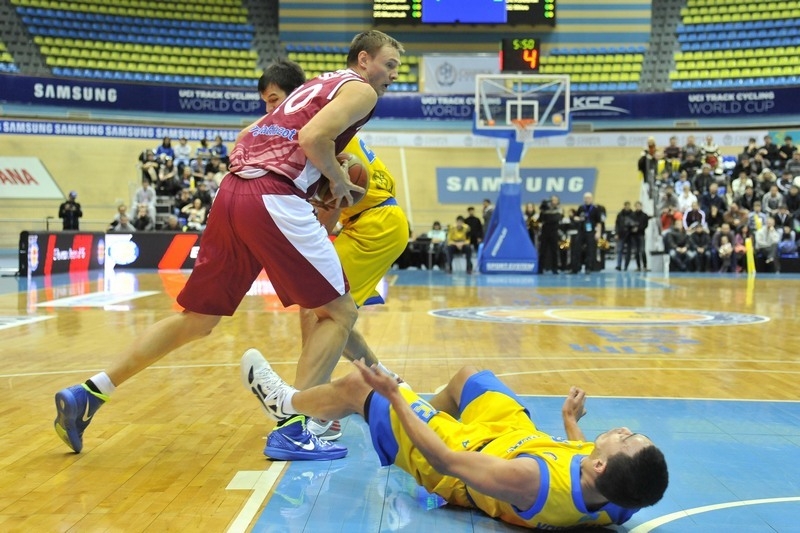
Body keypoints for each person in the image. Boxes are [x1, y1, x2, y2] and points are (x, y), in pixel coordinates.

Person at [53, 30, 404, 460]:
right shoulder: (360, 90)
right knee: (339, 312)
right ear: (364, 60)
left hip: (232, 192)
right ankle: (295, 426)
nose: (393, 75)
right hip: (273, 197)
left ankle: (90, 392)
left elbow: (243, 138)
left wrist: (311, 170)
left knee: (198, 319)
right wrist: (335, 178)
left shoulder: (314, 85)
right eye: (389, 65)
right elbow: (313, 139)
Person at [242, 350, 669, 529]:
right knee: (469, 376)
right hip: (516, 437)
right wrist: (570, 422)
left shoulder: (530, 481)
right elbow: (584, 467)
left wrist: (397, 399)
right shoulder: (623, 500)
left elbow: (445, 460)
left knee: (361, 385)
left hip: (461, 456)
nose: (623, 431)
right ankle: (397, 417)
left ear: (602, 464)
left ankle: (287, 405)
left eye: (627, 438)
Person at [249, 58, 409, 441]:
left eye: (274, 100)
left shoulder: (320, 129)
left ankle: (315, 410)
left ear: (296, 96)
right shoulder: (323, 120)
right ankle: (384, 384)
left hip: (375, 223)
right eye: (266, 102)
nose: (270, 110)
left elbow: (337, 199)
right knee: (334, 312)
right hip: (373, 221)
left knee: (319, 304)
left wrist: (310, 243)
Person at [570, 192, 603, 274]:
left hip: (591, 231)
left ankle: (588, 267)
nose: (587, 200)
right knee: (577, 249)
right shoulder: (581, 208)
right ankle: (576, 268)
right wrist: (577, 218)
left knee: (590, 250)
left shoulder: (595, 209)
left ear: (592, 199)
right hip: (581, 231)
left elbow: (599, 222)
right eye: (586, 198)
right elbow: (576, 217)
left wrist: (598, 232)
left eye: (589, 198)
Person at [537, 195, 562, 274]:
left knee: (554, 251)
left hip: (554, 232)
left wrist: (547, 215)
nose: (553, 202)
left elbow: (556, 218)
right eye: (552, 200)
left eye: (555, 200)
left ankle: (555, 268)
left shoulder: (559, 209)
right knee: (542, 250)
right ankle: (540, 268)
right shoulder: (545, 209)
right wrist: (543, 209)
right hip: (545, 232)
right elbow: (540, 219)